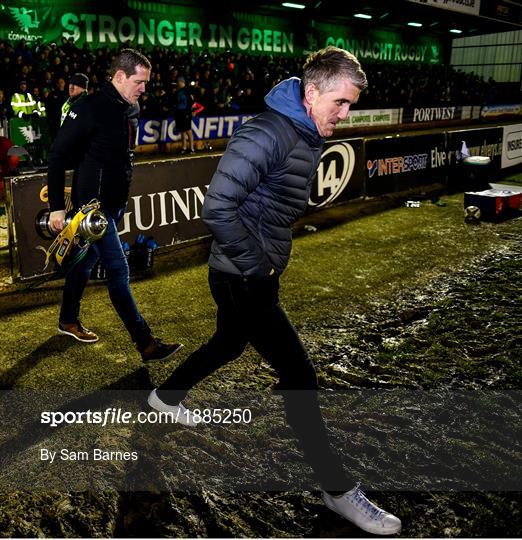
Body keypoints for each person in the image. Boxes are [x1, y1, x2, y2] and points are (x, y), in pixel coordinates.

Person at [148, 46, 401, 535]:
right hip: (244, 276)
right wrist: (259, 265)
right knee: (299, 375)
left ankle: (165, 398)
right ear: (310, 94)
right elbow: (217, 207)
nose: (345, 114)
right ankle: (338, 491)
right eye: (341, 103)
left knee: (228, 343)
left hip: (247, 272)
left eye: (350, 104)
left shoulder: (302, 131)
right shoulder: (269, 131)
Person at [46, 48, 182, 362]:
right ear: (119, 76)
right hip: (92, 210)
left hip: (113, 206)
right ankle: (146, 343)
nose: (144, 89)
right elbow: (56, 156)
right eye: (139, 81)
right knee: (119, 271)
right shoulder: (89, 107)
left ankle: (67, 319)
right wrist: (56, 207)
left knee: (85, 263)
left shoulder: (127, 108)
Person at [171, 76, 195, 154]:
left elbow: (191, 101)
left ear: (182, 82)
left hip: (185, 112)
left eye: (178, 82)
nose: (178, 83)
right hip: (179, 112)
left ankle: (191, 148)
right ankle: (184, 147)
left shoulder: (187, 90)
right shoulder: (178, 91)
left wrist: (189, 111)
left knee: (188, 130)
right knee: (182, 131)